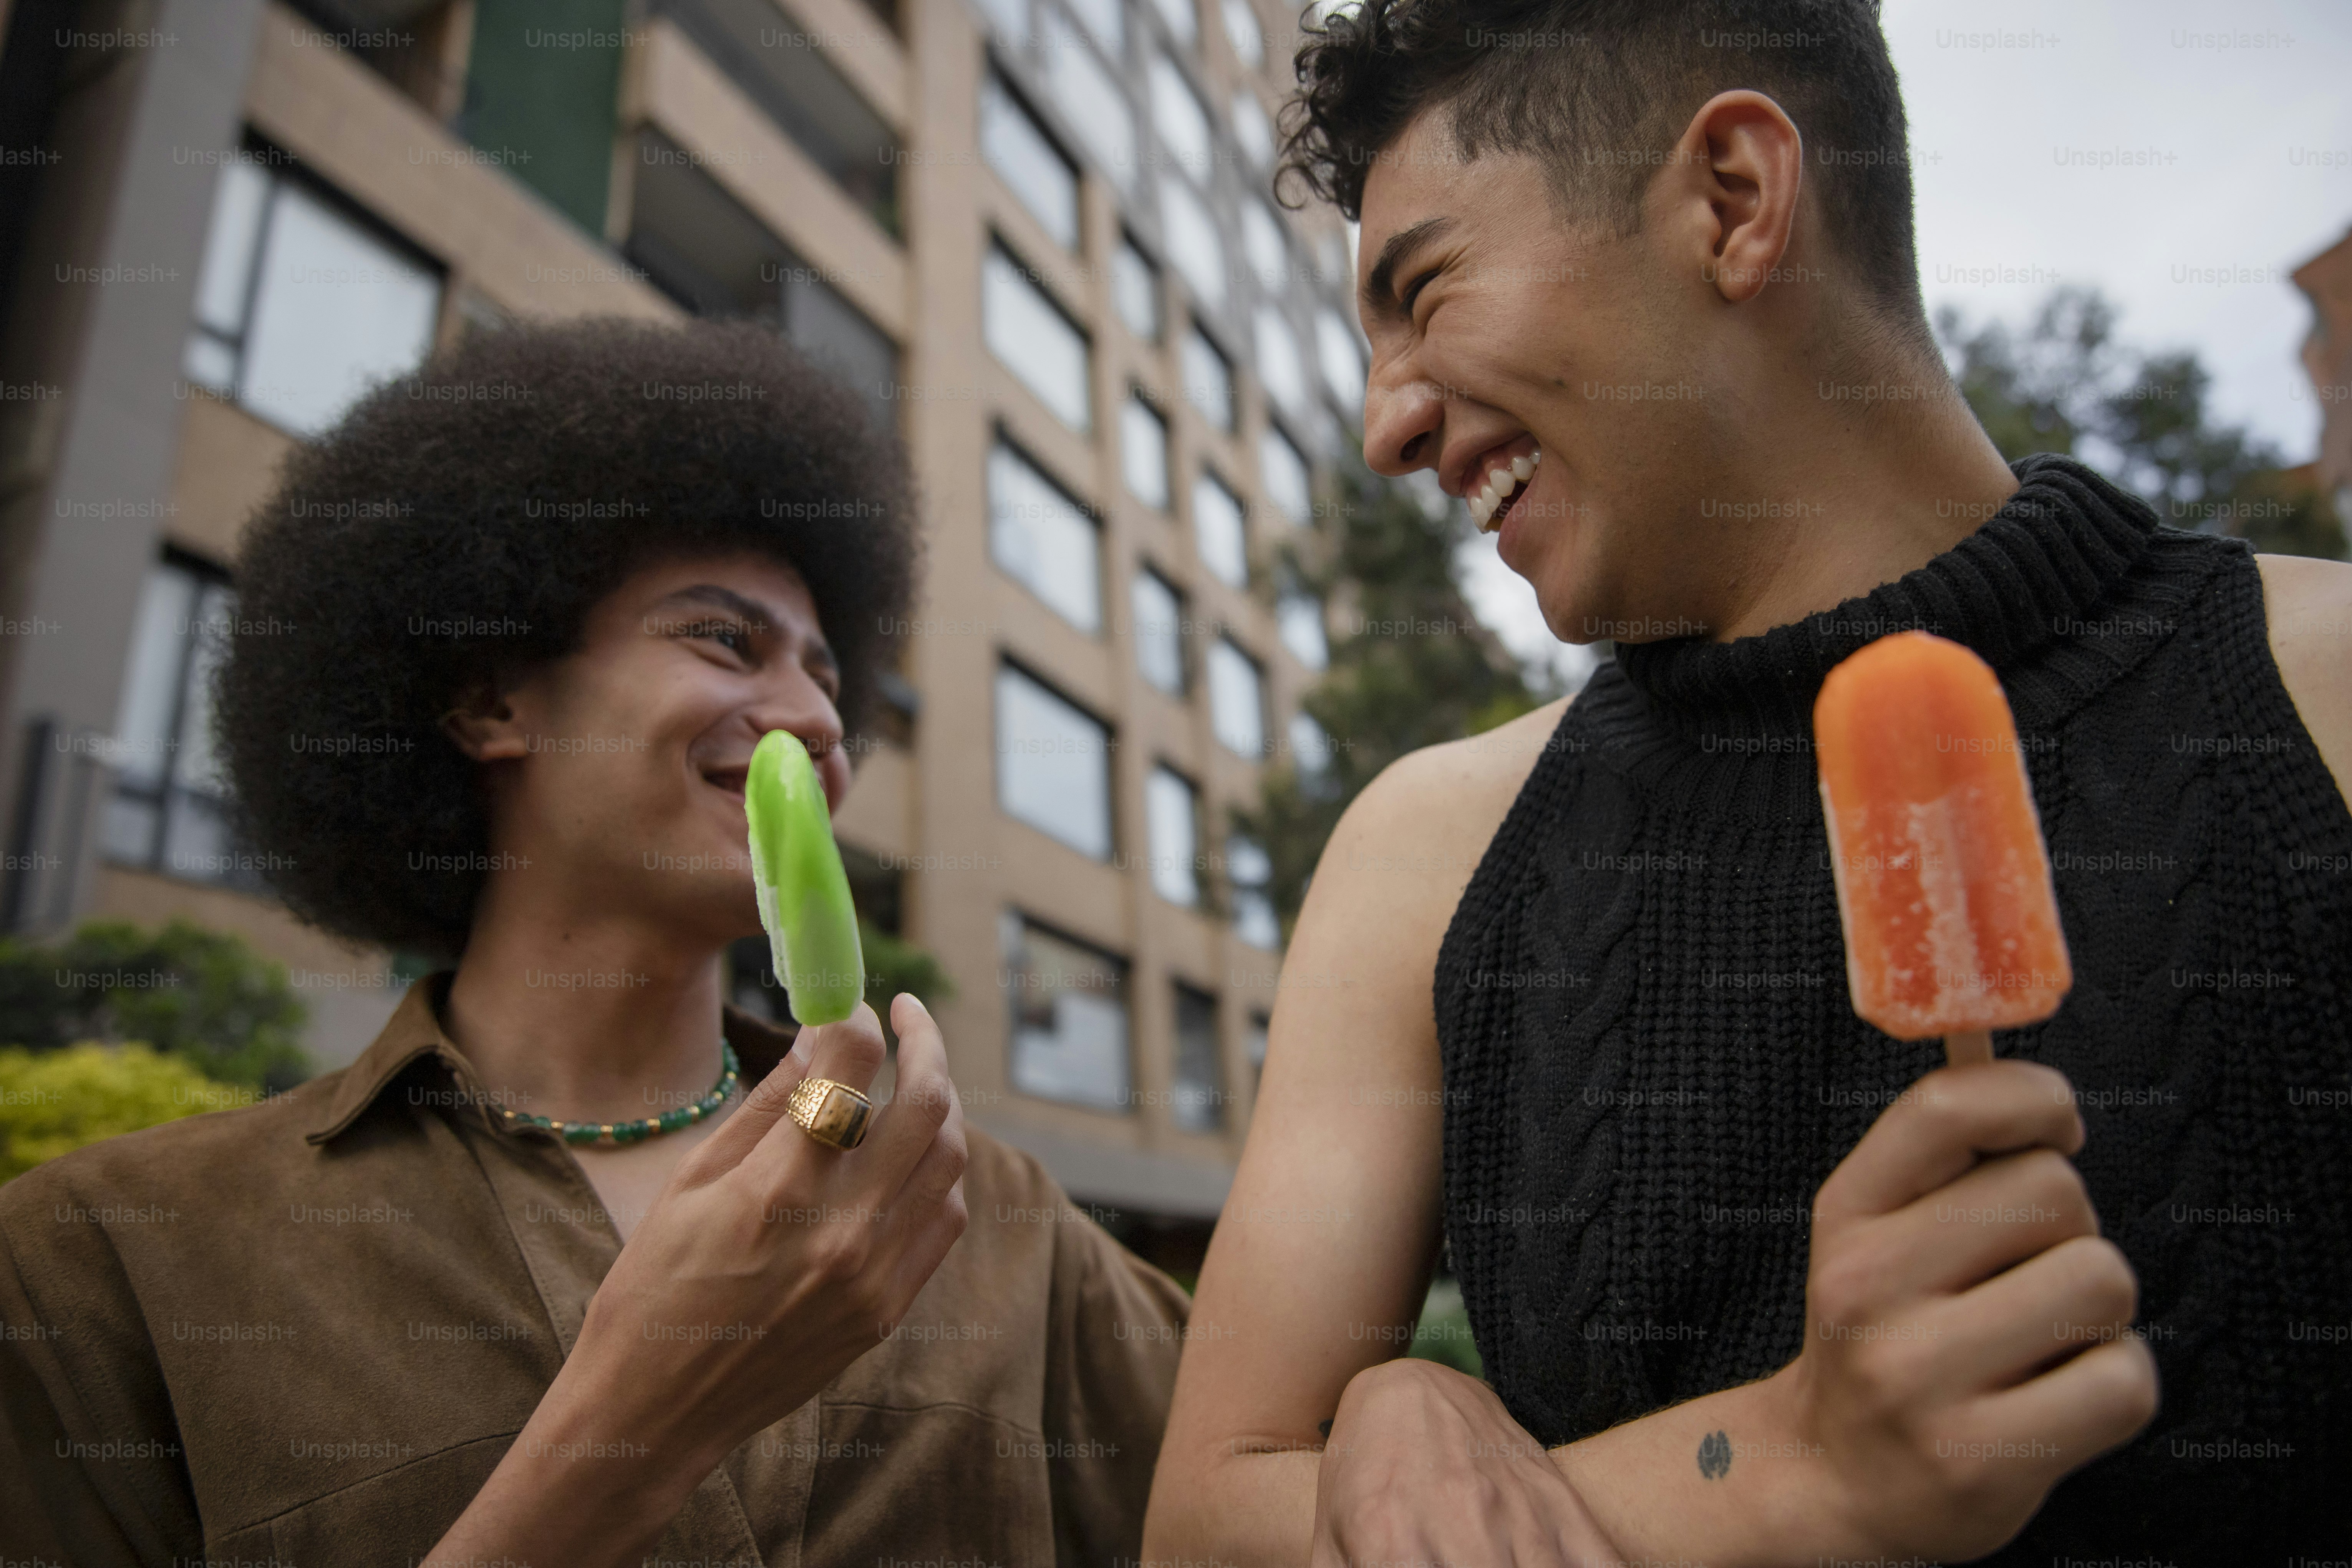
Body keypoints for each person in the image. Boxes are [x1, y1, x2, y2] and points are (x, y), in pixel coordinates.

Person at [1145, 2, 2352, 1564]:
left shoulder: (2322, 696)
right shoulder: (1426, 855)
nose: (1387, 425)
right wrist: (1764, 1458)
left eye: (1424, 294)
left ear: (1732, 199)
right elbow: (1203, 1519)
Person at [0, 319, 1188, 1566]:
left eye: (830, 680)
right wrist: (634, 1432)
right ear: (490, 701)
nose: (817, 720)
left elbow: (1257, 1486)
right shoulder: (102, 1259)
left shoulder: (986, 1214)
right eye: (724, 639)